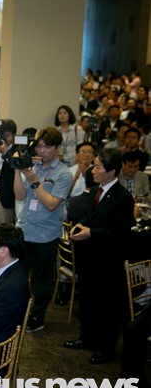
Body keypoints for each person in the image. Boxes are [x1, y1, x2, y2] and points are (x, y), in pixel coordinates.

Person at [65, 148, 135, 364]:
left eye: (97, 167)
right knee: (88, 300)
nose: (92, 170)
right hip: (88, 257)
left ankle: (106, 348)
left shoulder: (123, 197)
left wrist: (91, 232)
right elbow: (89, 217)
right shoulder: (95, 190)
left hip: (108, 259)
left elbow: (120, 231)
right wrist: (80, 226)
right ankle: (87, 337)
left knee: (107, 306)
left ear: (111, 171)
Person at [14, 127, 72, 333]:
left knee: (41, 281)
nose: (42, 150)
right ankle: (18, 314)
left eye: (47, 147)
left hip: (45, 235)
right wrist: (17, 169)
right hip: (24, 230)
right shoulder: (33, 166)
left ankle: (37, 318)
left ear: (57, 148)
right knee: (18, 277)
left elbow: (51, 204)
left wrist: (33, 180)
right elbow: (20, 196)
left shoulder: (64, 174)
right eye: (39, 146)